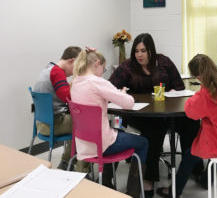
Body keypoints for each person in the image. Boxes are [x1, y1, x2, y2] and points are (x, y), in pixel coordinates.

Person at [109, 33, 202, 197]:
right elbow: (110, 87)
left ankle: (195, 168)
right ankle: (149, 180)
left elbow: (179, 85)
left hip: (167, 111)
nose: (139, 55)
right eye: (137, 51)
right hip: (140, 114)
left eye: (143, 50)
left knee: (191, 123)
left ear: (151, 50)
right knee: (155, 130)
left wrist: (173, 91)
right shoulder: (127, 66)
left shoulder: (164, 62)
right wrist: (122, 93)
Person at [156, 54, 217, 197]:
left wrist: (200, 92)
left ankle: (174, 191)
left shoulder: (204, 96)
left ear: (198, 77)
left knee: (189, 156)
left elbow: (191, 113)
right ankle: (205, 180)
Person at [70, 48, 148, 198]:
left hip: (83, 144)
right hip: (102, 145)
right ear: (97, 64)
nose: (103, 73)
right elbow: (128, 103)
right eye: (103, 69)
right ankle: (133, 193)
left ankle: (106, 181)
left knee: (120, 133)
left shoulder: (75, 82)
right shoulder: (98, 82)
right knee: (143, 142)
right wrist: (122, 94)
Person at [33, 46, 89, 172]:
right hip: (53, 124)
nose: (77, 72)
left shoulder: (48, 68)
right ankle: (82, 170)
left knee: (76, 121)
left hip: (42, 123)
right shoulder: (57, 73)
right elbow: (68, 97)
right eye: (77, 67)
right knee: (86, 124)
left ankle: (66, 162)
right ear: (71, 61)